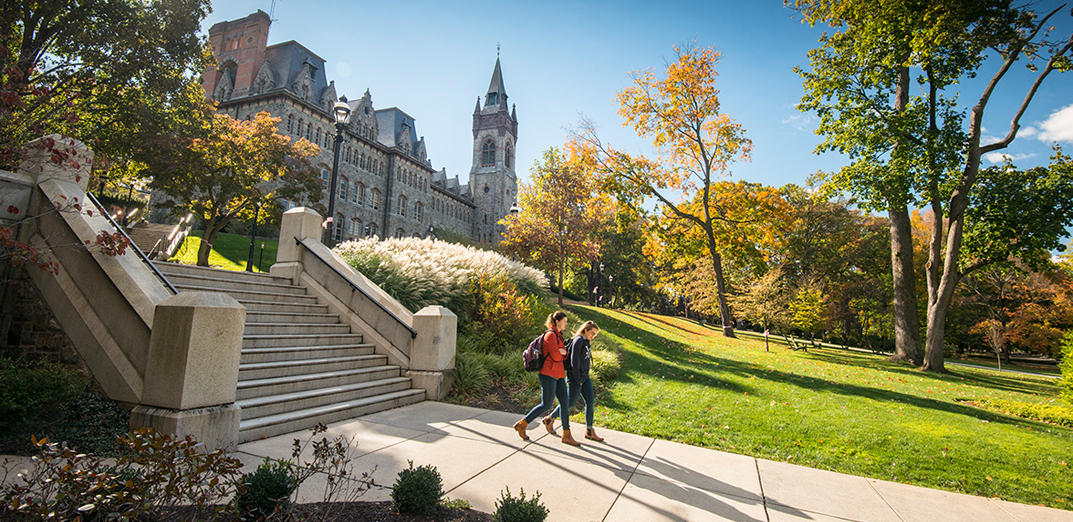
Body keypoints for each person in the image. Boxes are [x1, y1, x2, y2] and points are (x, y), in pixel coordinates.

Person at [513, 311, 581, 446]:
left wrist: (561, 352)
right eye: (564, 321)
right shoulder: (550, 335)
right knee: (547, 404)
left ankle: (566, 434)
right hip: (548, 375)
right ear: (557, 321)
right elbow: (557, 356)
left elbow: (564, 353)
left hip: (559, 375)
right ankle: (522, 424)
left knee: (565, 404)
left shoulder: (558, 336)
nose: (566, 324)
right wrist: (561, 352)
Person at [542, 321, 604, 442]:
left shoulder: (586, 341)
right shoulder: (578, 341)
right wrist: (577, 379)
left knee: (590, 402)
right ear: (585, 330)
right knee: (570, 403)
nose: (593, 336)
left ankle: (589, 431)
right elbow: (573, 362)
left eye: (595, 334)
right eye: (592, 333)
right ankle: (550, 418)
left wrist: (584, 377)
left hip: (585, 378)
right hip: (576, 378)